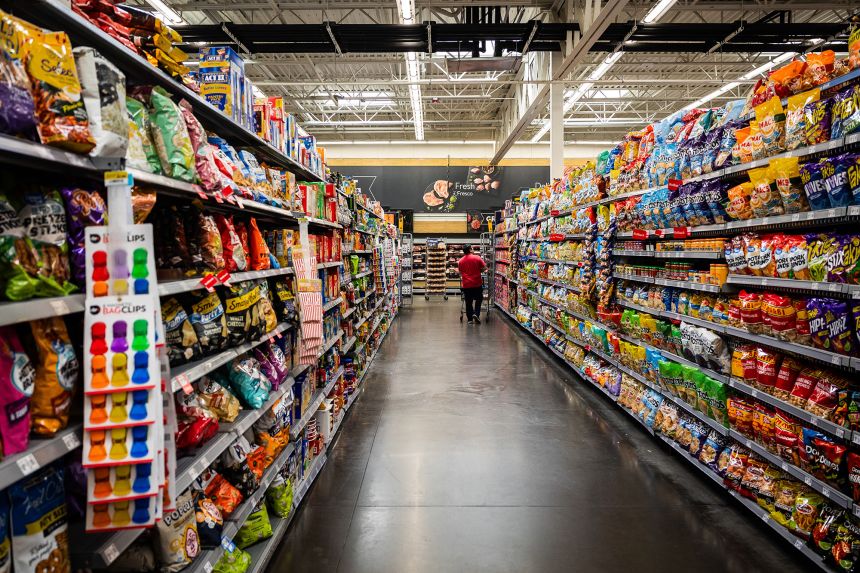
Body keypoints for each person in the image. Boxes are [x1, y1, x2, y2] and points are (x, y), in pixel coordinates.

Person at [457, 245, 486, 324]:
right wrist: (478, 271)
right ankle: (476, 314)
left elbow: (460, 272)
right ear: (470, 250)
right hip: (477, 283)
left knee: (468, 302)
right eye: (472, 248)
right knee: (479, 299)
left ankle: (470, 319)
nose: (473, 249)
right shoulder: (477, 258)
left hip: (466, 285)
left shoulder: (461, 261)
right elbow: (484, 267)